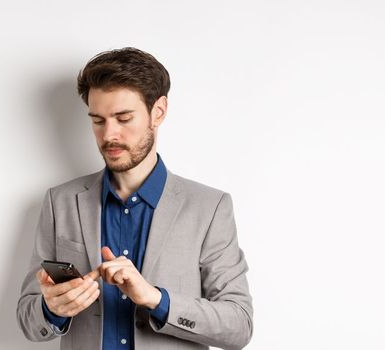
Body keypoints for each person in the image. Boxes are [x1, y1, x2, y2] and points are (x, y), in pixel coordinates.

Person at [16, 47, 253, 350]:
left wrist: (155, 298)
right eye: (98, 120)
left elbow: (239, 325)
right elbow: (27, 319)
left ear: (159, 112)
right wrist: (53, 310)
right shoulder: (59, 202)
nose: (109, 135)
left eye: (123, 118)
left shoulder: (209, 208)